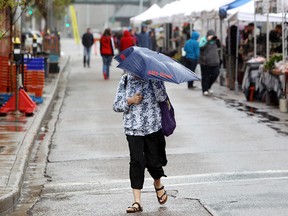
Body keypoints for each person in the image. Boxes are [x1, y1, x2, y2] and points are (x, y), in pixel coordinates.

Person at [113, 73, 169, 213]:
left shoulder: (154, 78)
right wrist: (130, 100)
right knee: (137, 161)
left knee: (153, 162)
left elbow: (162, 97)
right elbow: (116, 105)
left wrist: (155, 81)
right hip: (133, 128)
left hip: (153, 127)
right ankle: (137, 202)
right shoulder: (125, 79)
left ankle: (158, 183)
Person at [199, 29, 220, 96]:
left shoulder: (215, 41)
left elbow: (220, 46)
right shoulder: (203, 40)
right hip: (205, 62)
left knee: (215, 74)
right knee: (205, 76)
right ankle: (205, 89)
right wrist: (207, 41)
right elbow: (201, 48)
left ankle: (209, 86)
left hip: (215, 61)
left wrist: (217, 39)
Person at [225, 25, 238, 90]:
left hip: (228, 54)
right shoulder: (233, 38)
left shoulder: (228, 37)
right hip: (232, 55)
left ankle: (228, 83)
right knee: (232, 70)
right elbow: (234, 47)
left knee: (229, 69)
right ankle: (231, 85)